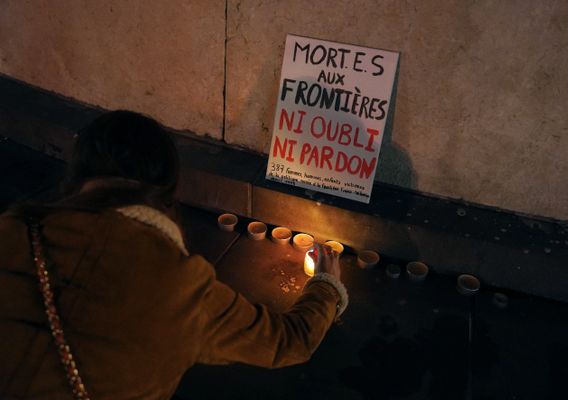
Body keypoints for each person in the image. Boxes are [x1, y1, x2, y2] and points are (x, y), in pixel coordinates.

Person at [0, 110, 348, 399]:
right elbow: (289, 341)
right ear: (168, 188)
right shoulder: (180, 285)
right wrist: (327, 287)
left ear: (76, 173)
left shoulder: (12, 230)